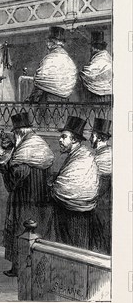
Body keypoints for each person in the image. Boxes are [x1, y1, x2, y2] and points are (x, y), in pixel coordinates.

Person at [0, 112, 54, 277]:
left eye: (15, 132)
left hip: (24, 198)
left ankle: (19, 269)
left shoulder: (24, 150)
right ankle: (35, 267)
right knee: (36, 232)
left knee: (21, 230)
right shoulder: (41, 144)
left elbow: (15, 178)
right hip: (40, 198)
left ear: (19, 132)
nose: (14, 135)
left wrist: (3, 168)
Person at [50, 116, 99, 249]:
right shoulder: (75, 155)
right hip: (70, 212)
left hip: (76, 216)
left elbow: (69, 188)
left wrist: (54, 186)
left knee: (74, 250)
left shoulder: (83, 157)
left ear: (75, 140)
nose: (60, 140)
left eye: (64, 137)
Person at [26, 26, 78, 103]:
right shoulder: (69, 60)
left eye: (48, 41)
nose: (47, 44)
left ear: (52, 43)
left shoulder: (49, 59)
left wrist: (31, 99)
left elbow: (40, 81)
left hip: (48, 102)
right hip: (65, 102)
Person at [90, 118, 112, 255]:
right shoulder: (107, 153)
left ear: (98, 137)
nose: (89, 139)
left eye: (92, 135)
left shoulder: (101, 158)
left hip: (100, 206)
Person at [80, 31, 112, 101]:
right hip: (107, 94)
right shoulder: (107, 57)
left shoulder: (101, 59)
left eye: (91, 47)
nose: (90, 49)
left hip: (99, 95)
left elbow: (89, 73)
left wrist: (82, 72)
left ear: (95, 48)